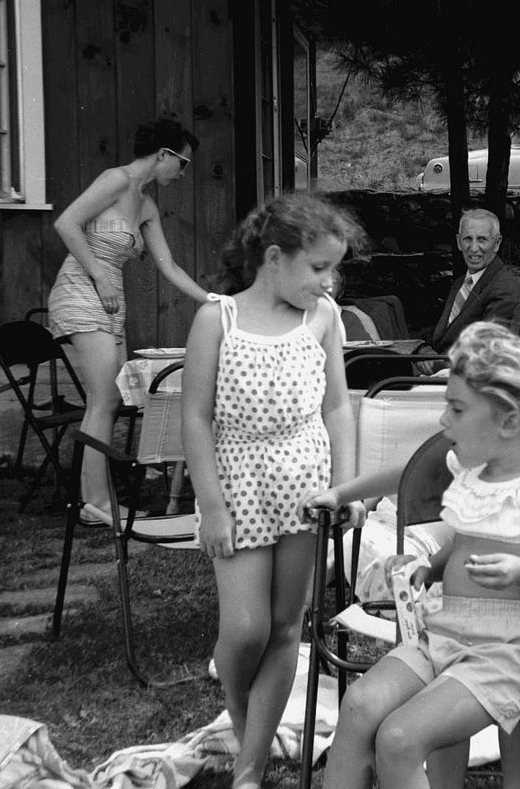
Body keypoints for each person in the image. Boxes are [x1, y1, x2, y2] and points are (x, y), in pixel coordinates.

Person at [307, 322, 520, 789]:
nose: (444, 421)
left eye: (456, 408)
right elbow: (463, 537)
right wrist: (432, 565)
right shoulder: (471, 471)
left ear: (508, 422)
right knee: (359, 705)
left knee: (400, 739)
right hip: (445, 630)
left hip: (508, 647)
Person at [180, 192, 368, 789]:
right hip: (237, 483)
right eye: (318, 268)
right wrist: (211, 506)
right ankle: (248, 726)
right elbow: (195, 417)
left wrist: (346, 486)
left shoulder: (324, 317)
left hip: (305, 485)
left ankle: (250, 767)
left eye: (334, 268)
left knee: (288, 626)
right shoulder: (219, 318)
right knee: (244, 631)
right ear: (273, 257)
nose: (329, 280)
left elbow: (338, 404)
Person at [47, 117, 211, 524]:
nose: (183, 172)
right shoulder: (116, 179)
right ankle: (94, 505)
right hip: (82, 289)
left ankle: (94, 499)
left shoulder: (148, 205)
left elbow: (168, 266)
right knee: (103, 400)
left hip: (110, 300)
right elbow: (65, 223)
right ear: (163, 155)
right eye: (183, 163)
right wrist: (99, 274)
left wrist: (214, 300)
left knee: (109, 400)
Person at [428, 209, 520, 356]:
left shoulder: (505, 289)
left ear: (497, 243)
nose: (474, 248)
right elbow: (445, 337)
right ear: (458, 242)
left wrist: (432, 364)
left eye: (482, 239)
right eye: (468, 239)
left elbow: (489, 355)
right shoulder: (460, 283)